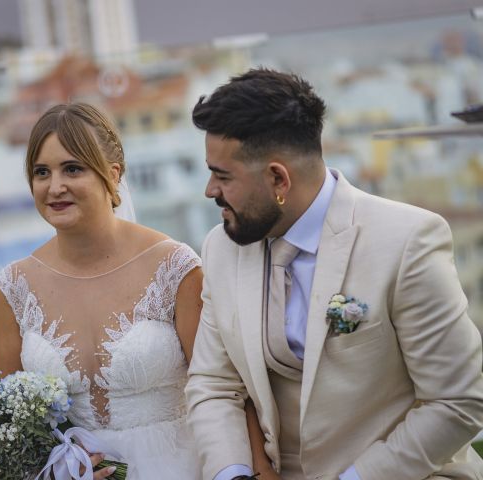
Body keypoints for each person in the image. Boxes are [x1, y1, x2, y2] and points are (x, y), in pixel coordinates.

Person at [185, 68, 483, 480]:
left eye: (222, 176)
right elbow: (213, 385)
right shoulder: (222, 249)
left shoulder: (407, 241)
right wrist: (234, 474)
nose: (210, 190)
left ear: (277, 178)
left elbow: (457, 402)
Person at [0, 102, 206, 479]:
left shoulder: (176, 268)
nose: (55, 187)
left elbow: (219, 391)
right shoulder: (13, 290)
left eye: (72, 168)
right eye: (42, 172)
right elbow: (10, 429)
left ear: (112, 174)